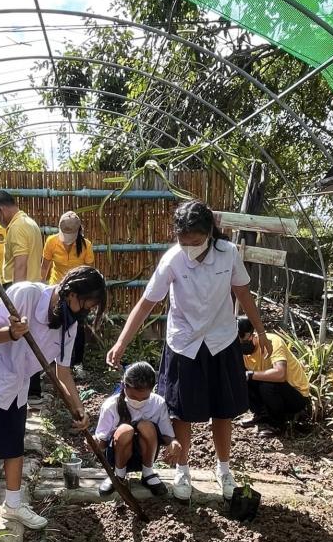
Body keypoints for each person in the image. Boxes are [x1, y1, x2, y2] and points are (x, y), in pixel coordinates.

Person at [107, 199, 271, 501]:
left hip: (221, 340)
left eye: (195, 243)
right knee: (181, 411)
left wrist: (261, 331)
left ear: (209, 234)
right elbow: (146, 303)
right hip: (184, 343)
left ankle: (224, 469)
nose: (189, 249)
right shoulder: (173, 259)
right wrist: (121, 341)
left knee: (223, 409)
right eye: (184, 242)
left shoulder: (228, 254)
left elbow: (243, 293)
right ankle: (182, 469)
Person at [0, 266, 107, 539]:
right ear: (70, 292)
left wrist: (78, 407)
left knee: (13, 443)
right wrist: (11, 332)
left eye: (91, 308)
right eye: (85, 305)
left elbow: (63, 372)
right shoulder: (26, 294)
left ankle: (13, 504)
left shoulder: (69, 324)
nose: (85, 312)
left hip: (15, 380)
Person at [0, 190, 45, 401]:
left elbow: (20, 264)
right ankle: (33, 391)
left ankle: (26, 391)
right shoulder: (30, 223)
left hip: (19, 289)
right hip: (33, 288)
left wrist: (15, 301)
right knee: (28, 338)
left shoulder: (17, 227)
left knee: (18, 340)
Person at [93, 360, 181, 498]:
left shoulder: (158, 404)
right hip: (117, 454)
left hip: (145, 453)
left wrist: (173, 442)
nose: (139, 401)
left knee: (146, 426)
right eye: (134, 397)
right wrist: (95, 443)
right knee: (125, 430)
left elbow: (166, 435)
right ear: (124, 386)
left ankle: (148, 473)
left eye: (144, 398)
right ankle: (119, 474)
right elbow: (102, 442)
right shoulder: (110, 406)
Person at [42, 211, 95, 371]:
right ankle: (50, 362)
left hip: (78, 293)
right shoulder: (51, 242)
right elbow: (44, 267)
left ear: (78, 231)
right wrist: (41, 288)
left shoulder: (86, 245)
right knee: (53, 325)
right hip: (56, 289)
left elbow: (89, 272)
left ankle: (77, 363)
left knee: (78, 327)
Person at [238, 317, 311, 432]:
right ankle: (261, 415)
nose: (242, 345)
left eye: (245, 341)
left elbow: (280, 374)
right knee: (239, 377)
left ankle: (277, 424)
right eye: (238, 343)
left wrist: (250, 375)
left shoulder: (271, 342)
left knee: (266, 383)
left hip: (296, 395)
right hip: (273, 391)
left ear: (254, 334)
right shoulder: (239, 350)